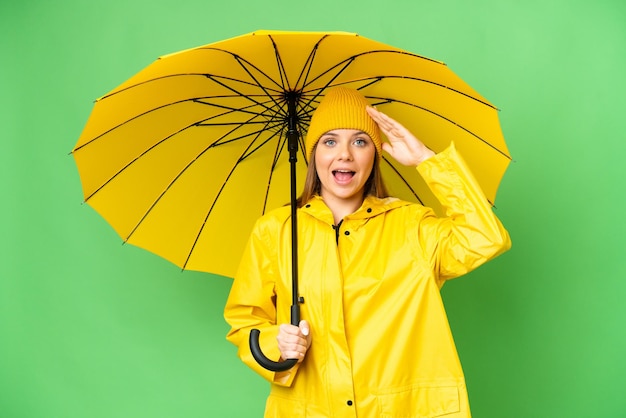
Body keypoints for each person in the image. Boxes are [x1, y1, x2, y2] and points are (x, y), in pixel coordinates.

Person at [224, 87, 511, 418]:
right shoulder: (275, 230)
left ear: (374, 154)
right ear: (313, 153)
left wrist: (427, 162)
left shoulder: (411, 226)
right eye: (330, 141)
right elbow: (244, 321)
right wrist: (278, 342)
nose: (345, 154)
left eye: (360, 141)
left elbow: (486, 237)